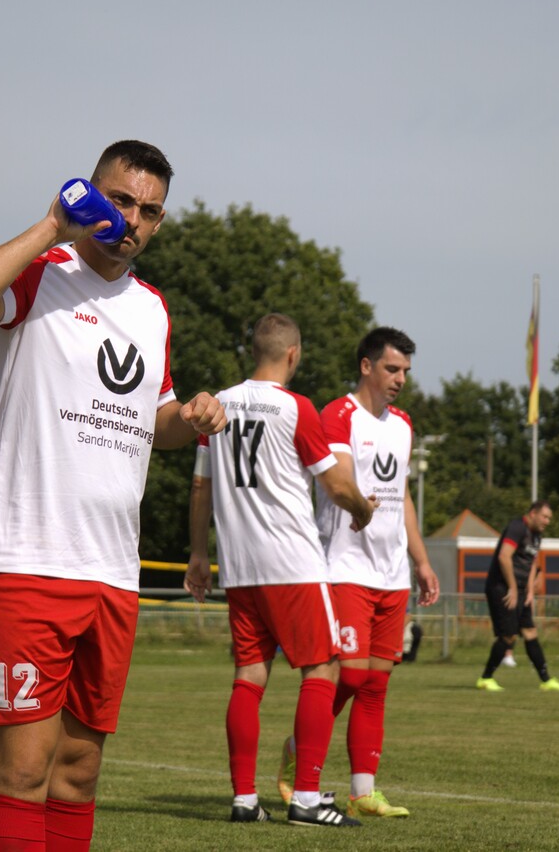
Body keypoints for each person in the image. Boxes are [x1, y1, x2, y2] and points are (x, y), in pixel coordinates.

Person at [0, 140, 226, 851]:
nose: (131, 220)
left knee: (78, 773)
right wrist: (50, 225)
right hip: (29, 560)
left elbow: (150, 421)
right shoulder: (43, 272)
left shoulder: (153, 309)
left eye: (149, 211)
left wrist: (187, 417)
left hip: (111, 572)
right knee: (23, 771)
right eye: (120, 200)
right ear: (91, 193)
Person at [184, 314, 377, 828]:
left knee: (249, 677)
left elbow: (200, 487)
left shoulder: (215, 404)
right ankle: (307, 799)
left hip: (240, 566)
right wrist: (363, 509)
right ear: (293, 354)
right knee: (322, 670)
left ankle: (245, 800)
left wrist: (198, 555)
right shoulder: (298, 407)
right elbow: (335, 486)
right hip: (292, 562)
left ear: (256, 350)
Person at [279, 327, 440, 819]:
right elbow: (339, 481)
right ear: (367, 366)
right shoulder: (339, 414)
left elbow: (403, 497)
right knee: (348, 673)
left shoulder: (405, 424)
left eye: (406, 372)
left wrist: (422, 560)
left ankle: (363, 791)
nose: (400, 380)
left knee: (376, 684)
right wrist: (360, 507)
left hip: (391, 574)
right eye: (392, 369)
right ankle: (296, 753)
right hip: (346, 565)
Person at [477, 501, 559, 692]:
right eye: (545, 517)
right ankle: (485, 678)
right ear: (533, 513)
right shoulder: (517, 528)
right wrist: (512, 587)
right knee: (509, 636)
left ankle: (546, 680)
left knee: (530, 632)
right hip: (501, 587)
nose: (547, 521)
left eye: (549, 518)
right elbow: (504, 557)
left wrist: (529, 591)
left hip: (519, 589)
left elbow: (532, 564)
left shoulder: (537, 536)